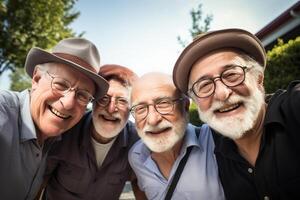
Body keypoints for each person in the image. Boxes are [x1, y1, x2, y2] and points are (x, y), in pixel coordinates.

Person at [172, 28, 300, 200]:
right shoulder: (211, 150)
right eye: (204, 86)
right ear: (196, 103)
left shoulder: (293, 107)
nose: (222, 93)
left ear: (258, 79)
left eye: (232, 74)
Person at [0, 38, 108, 199]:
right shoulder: (3, 114)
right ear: (36, 79)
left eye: (83, 95)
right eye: (61, 84)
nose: (68, 103)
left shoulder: (59, 139)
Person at [43, 64, 140, 200]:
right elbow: (42, 178)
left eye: (122, 101)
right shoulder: (66, 128)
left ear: (131, 107)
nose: (111, 109)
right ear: (93, 100)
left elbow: (138, 181)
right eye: (104, 98)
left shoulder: (137, 142)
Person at [128, 72, 225, 200]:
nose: (152, 120)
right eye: (140, 109)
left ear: (185, 106)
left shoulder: (216, 141)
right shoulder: (136, 156)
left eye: (163, 103)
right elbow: (138, 186)